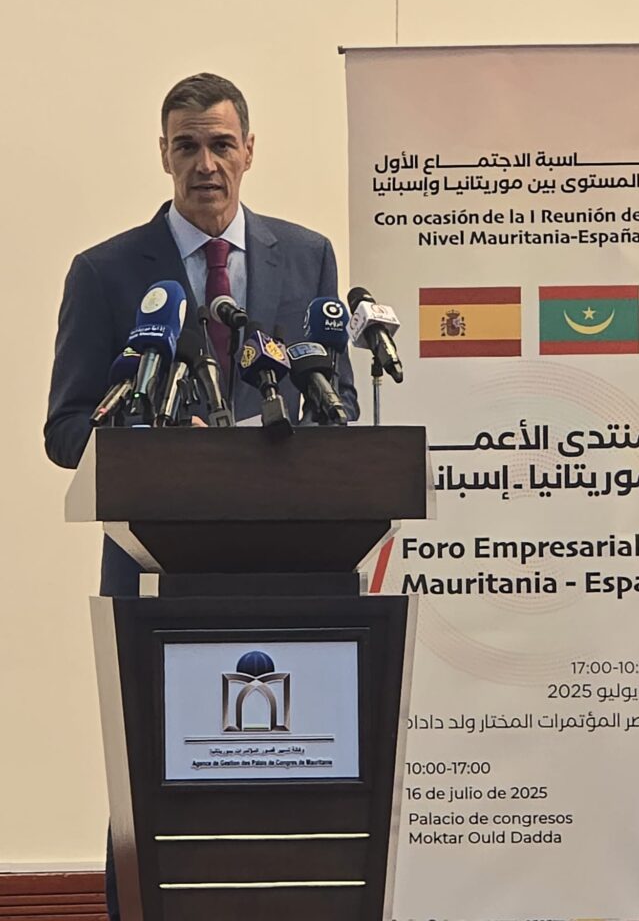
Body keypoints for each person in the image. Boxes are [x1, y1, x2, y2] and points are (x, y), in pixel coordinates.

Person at [44, 72, 358, 920]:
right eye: (187, 146)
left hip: (291, 573)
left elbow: (340, 405)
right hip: (155, 574)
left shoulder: (308, 257)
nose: (205, 164)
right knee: (153, 780)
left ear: (250, 151)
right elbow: (66, 429)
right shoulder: (106, 273)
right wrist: (151, 439)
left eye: (221, 144)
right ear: (163, 155)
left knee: (290, 780)